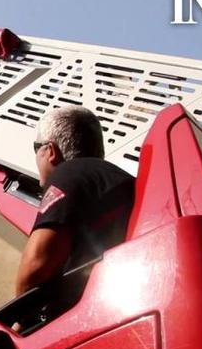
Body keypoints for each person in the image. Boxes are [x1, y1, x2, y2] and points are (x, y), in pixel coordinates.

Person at [14, 106, 135, 296]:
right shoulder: (120, 180)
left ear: (50, 151)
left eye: (36, 148)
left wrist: (15, 323)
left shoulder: (69, 172)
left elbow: (35, 271)